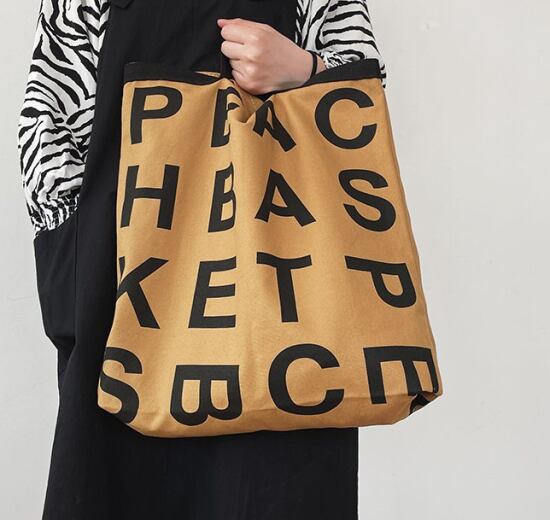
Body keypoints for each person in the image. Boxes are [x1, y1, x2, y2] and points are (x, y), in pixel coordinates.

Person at [18, 1, 386, 518]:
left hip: (286, 306)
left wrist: (306, 70)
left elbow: (362, 96)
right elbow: (49, 119)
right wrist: (81, 273)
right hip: (124, 289)